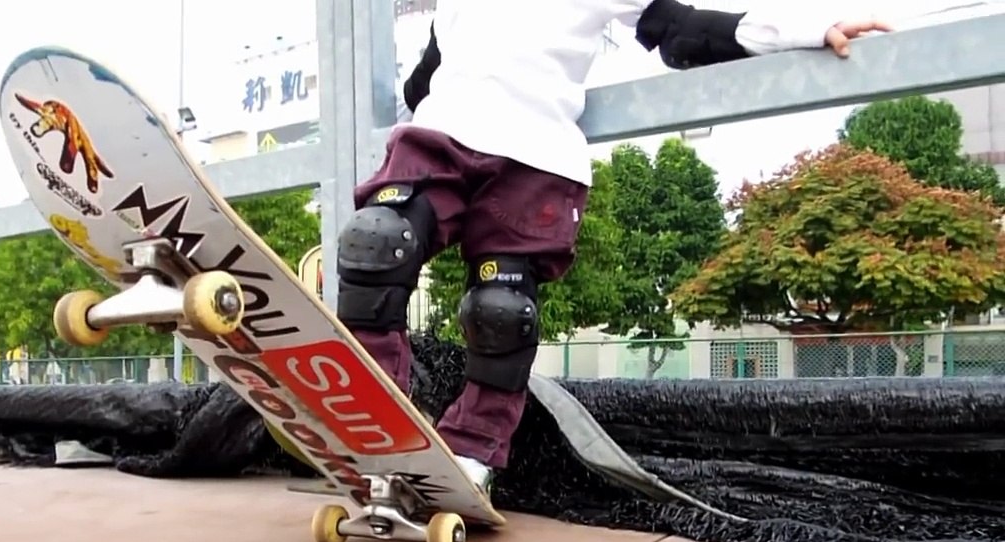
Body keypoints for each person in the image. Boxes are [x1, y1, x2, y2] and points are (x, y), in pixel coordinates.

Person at [333, 0, 892, 493]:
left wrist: (810, 28)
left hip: (532, 155)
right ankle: (374, 413)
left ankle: (470, 448)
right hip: (441, 138)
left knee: (500, 312)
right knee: (377, 241)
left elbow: (682, 29)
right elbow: (424, 78)